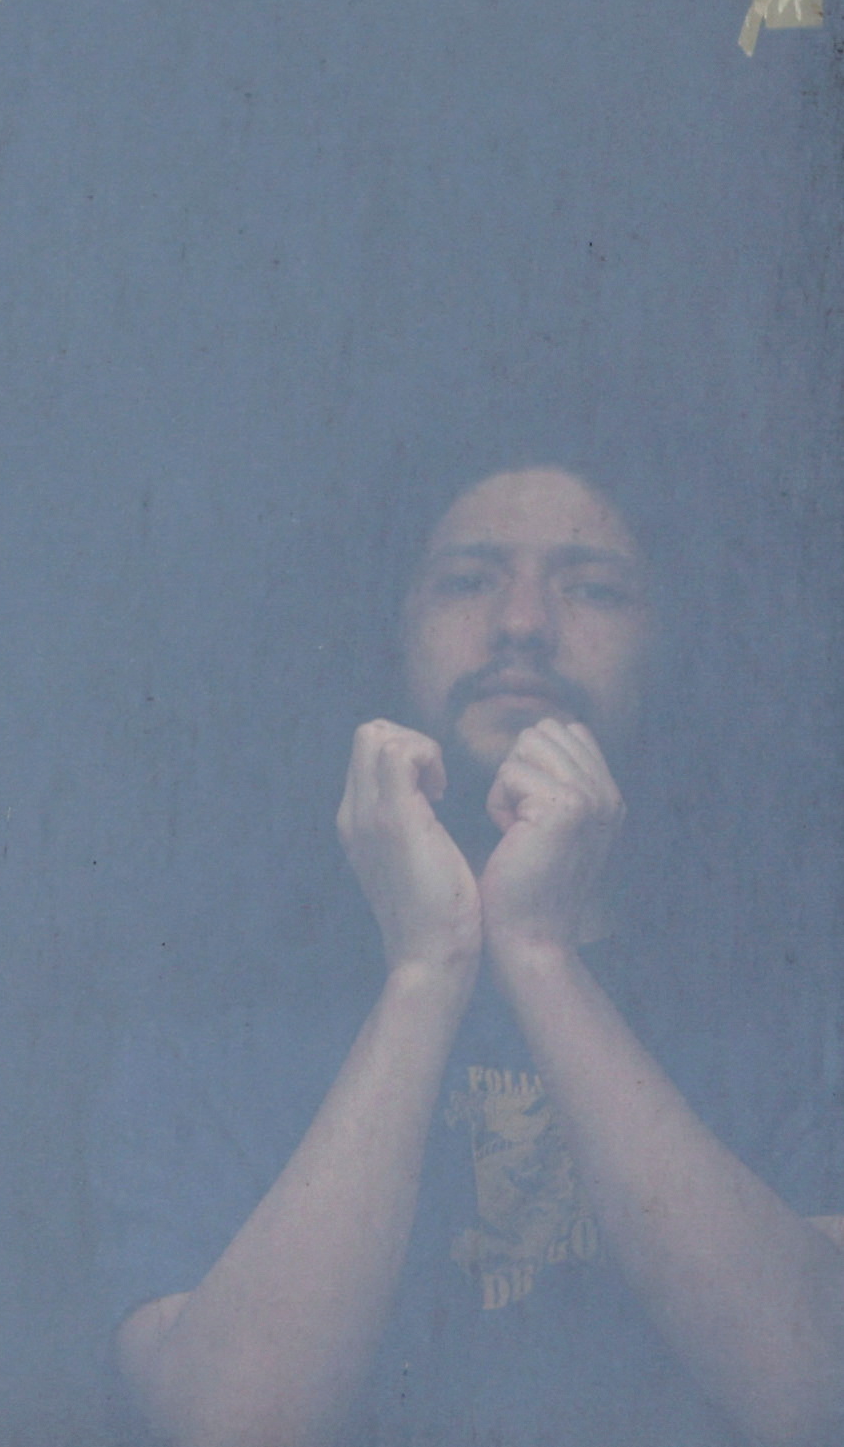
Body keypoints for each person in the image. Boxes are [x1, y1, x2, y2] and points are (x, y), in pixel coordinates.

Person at [91, 462, 844, 1447]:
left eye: (591, 585)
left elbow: (816, 1392)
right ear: (389, 629)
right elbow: (231, 1424)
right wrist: (427, 967)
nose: (522, 621)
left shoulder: (793, 1009)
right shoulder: (208, 1024)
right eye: (467, 577)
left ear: (666, 647)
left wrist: (539, 955)